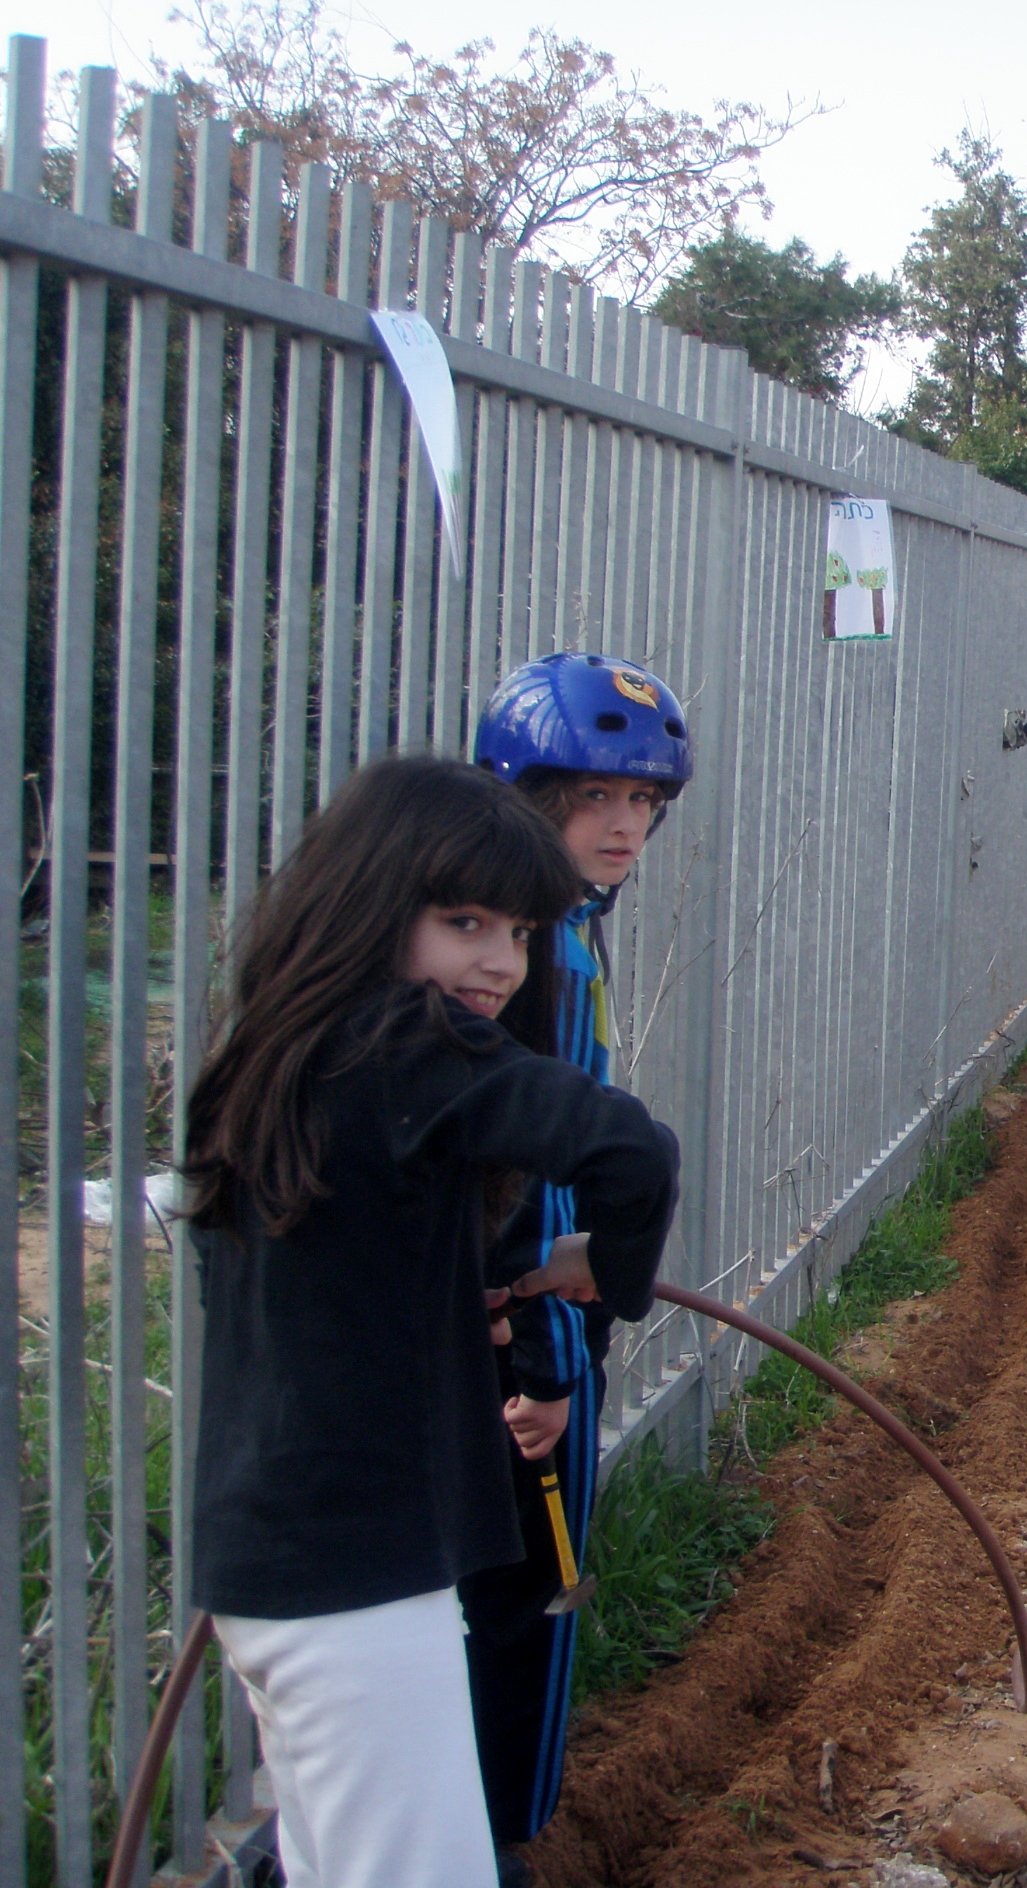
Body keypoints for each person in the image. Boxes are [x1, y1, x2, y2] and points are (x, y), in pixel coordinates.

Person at [183, 757, 680, 1888]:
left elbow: (339, 1282)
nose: (500, 964)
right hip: (359, 1580)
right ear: (368, 903)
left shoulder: (277, 1059)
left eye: (517, 931)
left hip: (288, 1564)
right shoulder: (406, 1045)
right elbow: (633, 1152)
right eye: (463, 921)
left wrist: (506, 1286)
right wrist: (611, 1273)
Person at [466, 653, 694, 1876]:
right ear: (528, 791)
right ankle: (508, 1845)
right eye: (596, 799)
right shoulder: (539, 946)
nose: (625, 829)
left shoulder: (549, 928)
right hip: (525, 1358)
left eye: (645, 805)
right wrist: (553, 1371)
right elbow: (533, 1174)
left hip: (479, 1336)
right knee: (529, 1619)